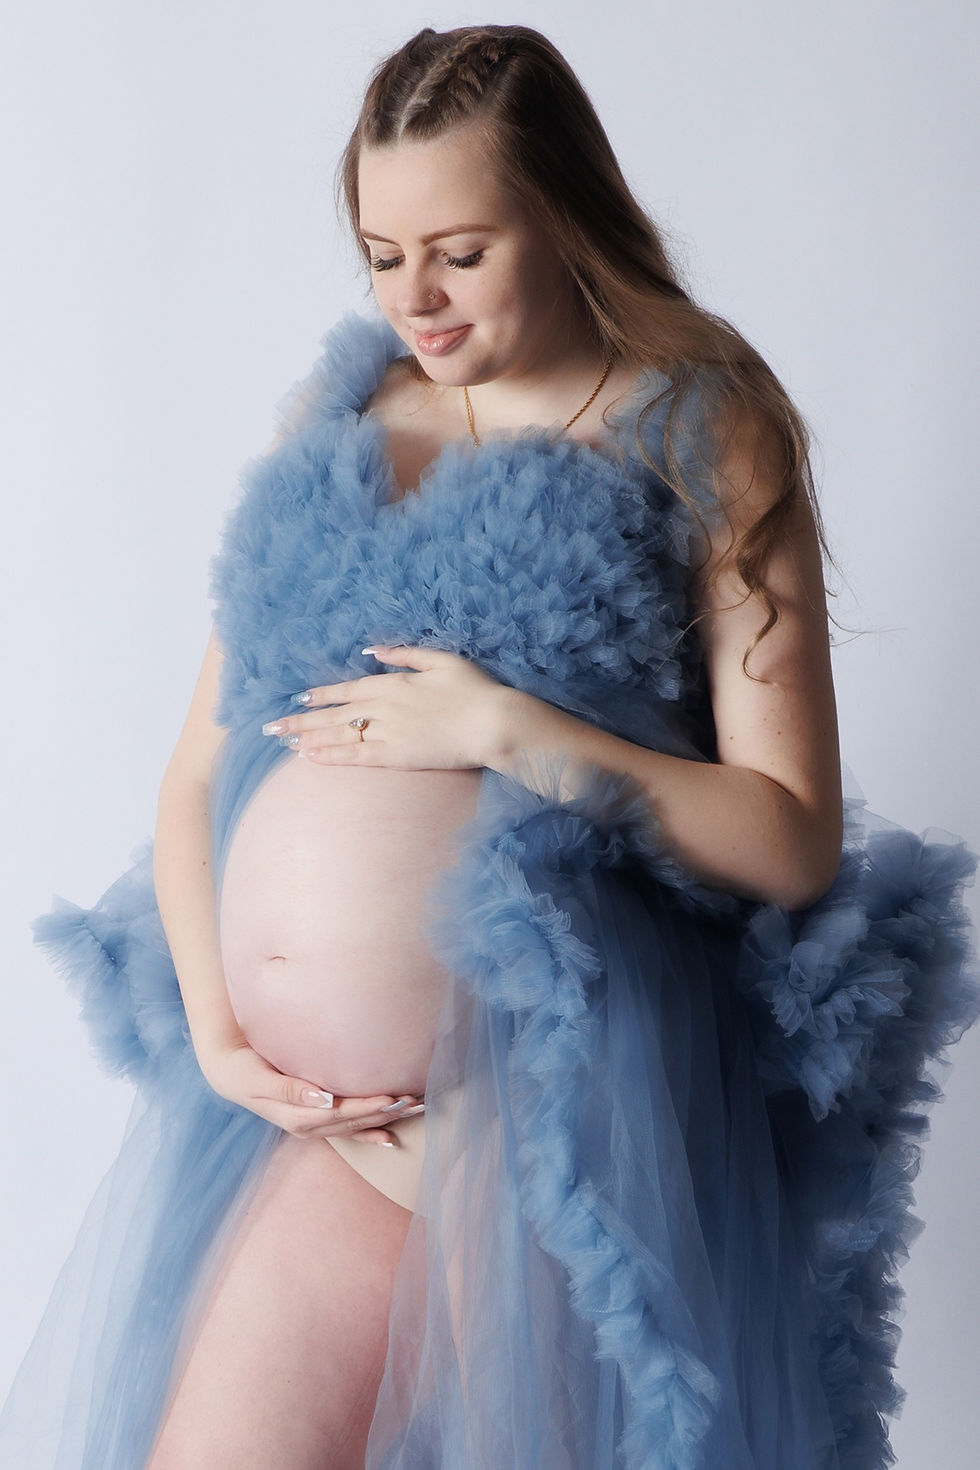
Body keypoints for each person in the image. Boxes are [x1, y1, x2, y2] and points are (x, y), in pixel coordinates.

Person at [1, 21, 978, 1470]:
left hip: (548, 1115)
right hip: (311, 1130)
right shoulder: (336, 411)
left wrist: (514, 732)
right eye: (382, 255)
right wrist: (221, 1035)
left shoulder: (705, 428)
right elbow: (200, 770)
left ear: (566, 215)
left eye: (459, 247)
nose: (419, 297)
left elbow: (788, 835)